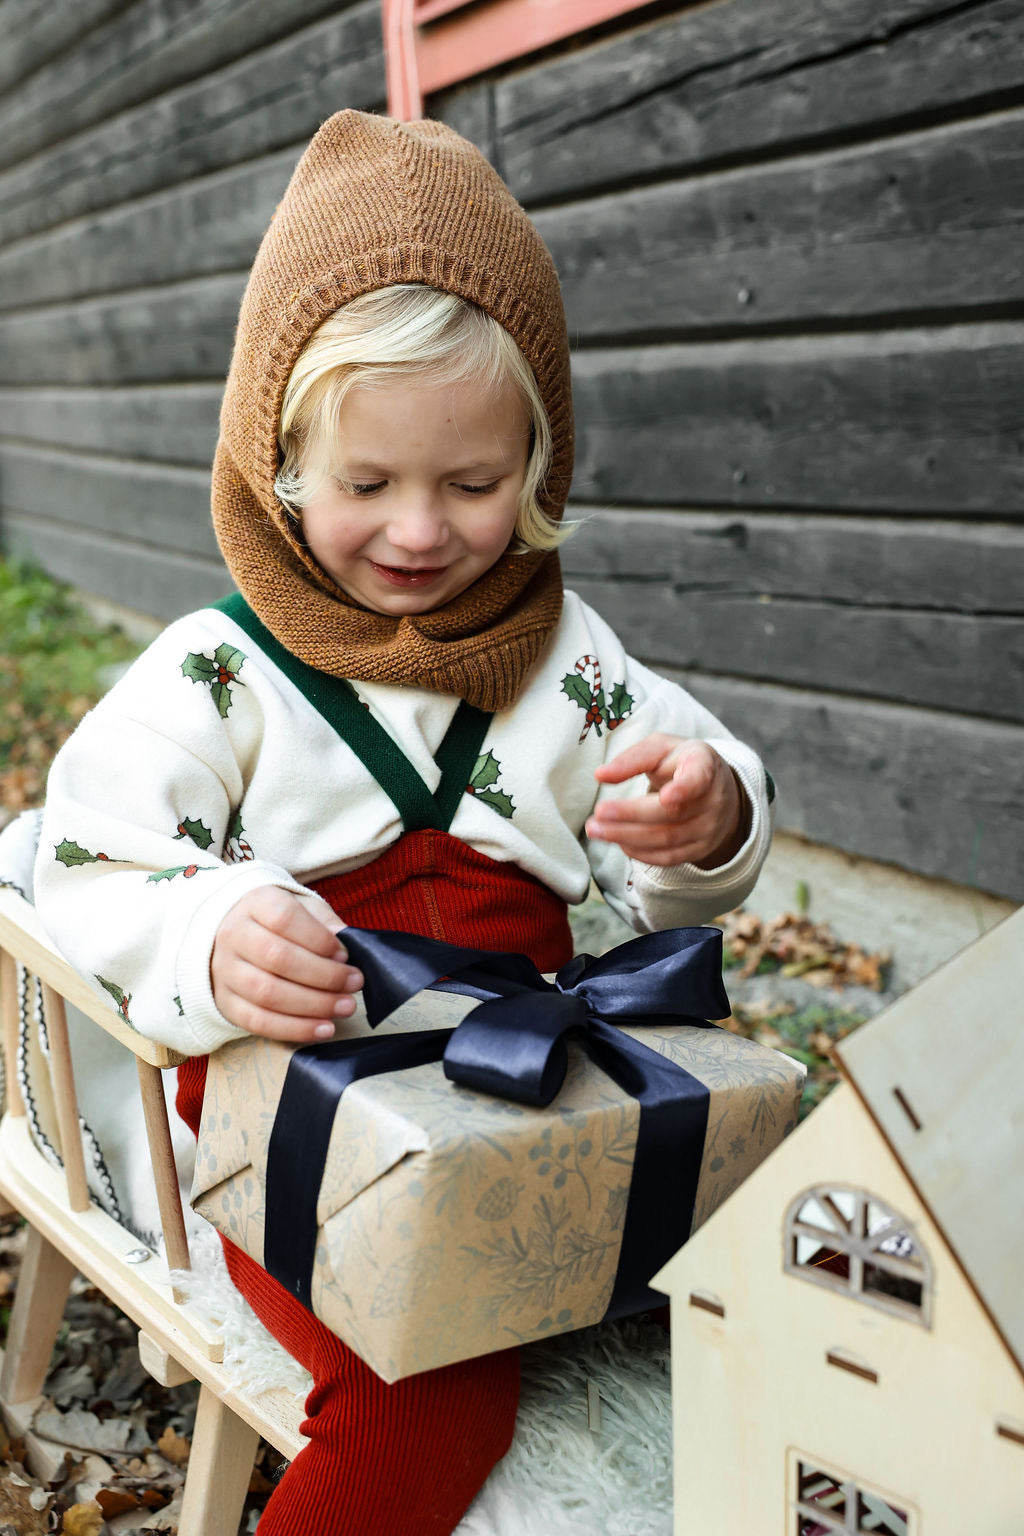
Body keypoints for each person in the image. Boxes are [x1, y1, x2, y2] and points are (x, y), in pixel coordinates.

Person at [35, 110, 774, 1536]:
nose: (421, 533)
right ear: (282, 463)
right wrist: (208, 928)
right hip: (308, 1114)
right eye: (367, 486)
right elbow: (83, 857)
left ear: (539, 465)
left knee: (740, 1271)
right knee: (422, 1388)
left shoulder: (574, 659)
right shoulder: (224, 671)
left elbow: (673, 846)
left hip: (527, 1072)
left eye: (474, 484)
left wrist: (703, 814)